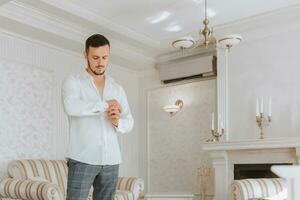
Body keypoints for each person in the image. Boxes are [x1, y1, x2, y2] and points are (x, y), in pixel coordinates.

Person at [62, 34, 134, 200]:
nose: (100, 62)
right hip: (82, 158)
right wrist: (105, 105)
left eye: (104, 57)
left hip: (112, 159)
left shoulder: (117, 88)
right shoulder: (73, 81)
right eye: (95, 57)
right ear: (85, 55)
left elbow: (129, 122)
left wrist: (117, 122)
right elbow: (71, 106)